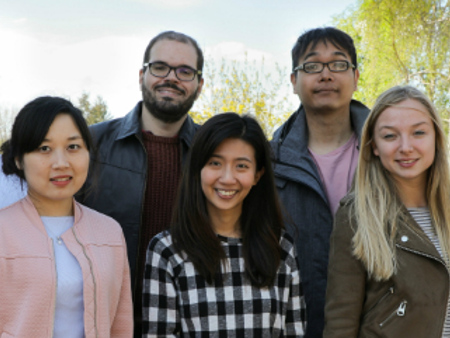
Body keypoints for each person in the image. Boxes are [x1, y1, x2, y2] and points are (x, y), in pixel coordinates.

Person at [76, 31, 204, 335]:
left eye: (185, 71)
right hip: (101, 321)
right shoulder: (90, 145)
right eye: (160, 67)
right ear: (141, 74)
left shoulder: (213, 154)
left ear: (199, 85)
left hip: (187, 323)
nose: (171, 78)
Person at [142, 113, 306, 337]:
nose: (228, 178)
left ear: (258, 175)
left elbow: (293, 331)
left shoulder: (280, 246)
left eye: (241, 166)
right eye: (215, 163)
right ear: (198, 169)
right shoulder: (167, 249)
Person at [0, 96, 133, 337]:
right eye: (44, 148)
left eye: (73, 147)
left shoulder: (110, 232)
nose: (61, 163)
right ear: (19, 159)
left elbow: (121, 326)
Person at [324, 86, 450, 337]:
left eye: (418, 133)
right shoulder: (355, 216)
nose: (406, 147)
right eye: (390, 136)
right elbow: (340, 321)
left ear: (435, 137)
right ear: (374, 146)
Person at [270, 26, 370, 337]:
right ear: (294, 82)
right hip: (296, 326)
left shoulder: (387, 153)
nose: (326, 75)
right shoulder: (268, 163)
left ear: (355, 77)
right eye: (312, 66)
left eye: (338, 64)